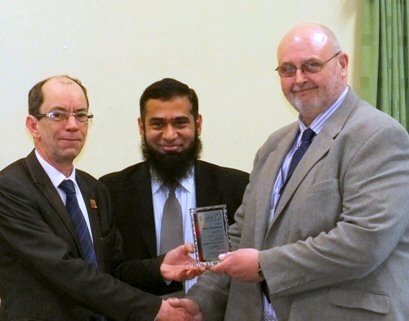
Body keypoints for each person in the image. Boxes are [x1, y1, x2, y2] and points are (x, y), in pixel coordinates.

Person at [179, 23, 409, 321]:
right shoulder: (274, 145)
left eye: (311, 66)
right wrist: (200, 302)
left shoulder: (378, 136)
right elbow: (241, 234)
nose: (298, 79)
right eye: (287, 70)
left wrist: (264, 265)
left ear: (342, 64)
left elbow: (364, 241)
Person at [0, 75, 203, 321]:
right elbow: (65, 271)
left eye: (81, 115)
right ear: (33, 126)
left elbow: (112, 269)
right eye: (58, 115)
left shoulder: (93, 189)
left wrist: (159, 269)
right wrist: (153, 309)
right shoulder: (10, 188)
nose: (73, 125)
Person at [99, 78, 249, 296]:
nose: (169, 135)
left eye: (180, 123)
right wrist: (158, 270)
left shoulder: (236, 187)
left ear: (198, 124)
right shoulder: (111, 191)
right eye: (157, 124)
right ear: (141, 127)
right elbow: (109, 272)